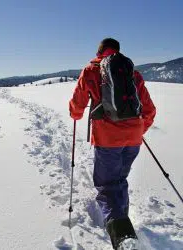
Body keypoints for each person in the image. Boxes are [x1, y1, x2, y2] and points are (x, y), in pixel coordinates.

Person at [69, 38, 156, 249]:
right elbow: (149, 110)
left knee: (107, 185)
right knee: (119, 178)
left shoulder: (91, 70)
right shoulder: (132, 73)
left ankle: (123, 237)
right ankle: (122, 219)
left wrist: (75, 113)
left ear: (99, 52)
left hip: (108, 138)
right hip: (134, 137)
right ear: (117, 51)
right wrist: (137, 131)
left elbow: (77, 105)